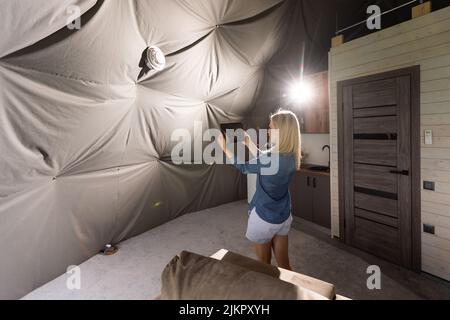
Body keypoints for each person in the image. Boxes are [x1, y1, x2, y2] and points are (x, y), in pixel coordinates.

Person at [218, 110, 301, 270]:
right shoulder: (291, 156)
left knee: (264, 266)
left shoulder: (270, 158)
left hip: (264, 218)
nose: (268, 131)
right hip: (283, 217)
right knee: (285, 265)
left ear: (281, 131)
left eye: (271, 128)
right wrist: (249, 143)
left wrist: (225, 148)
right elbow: (266, 161)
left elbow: (244, 167)